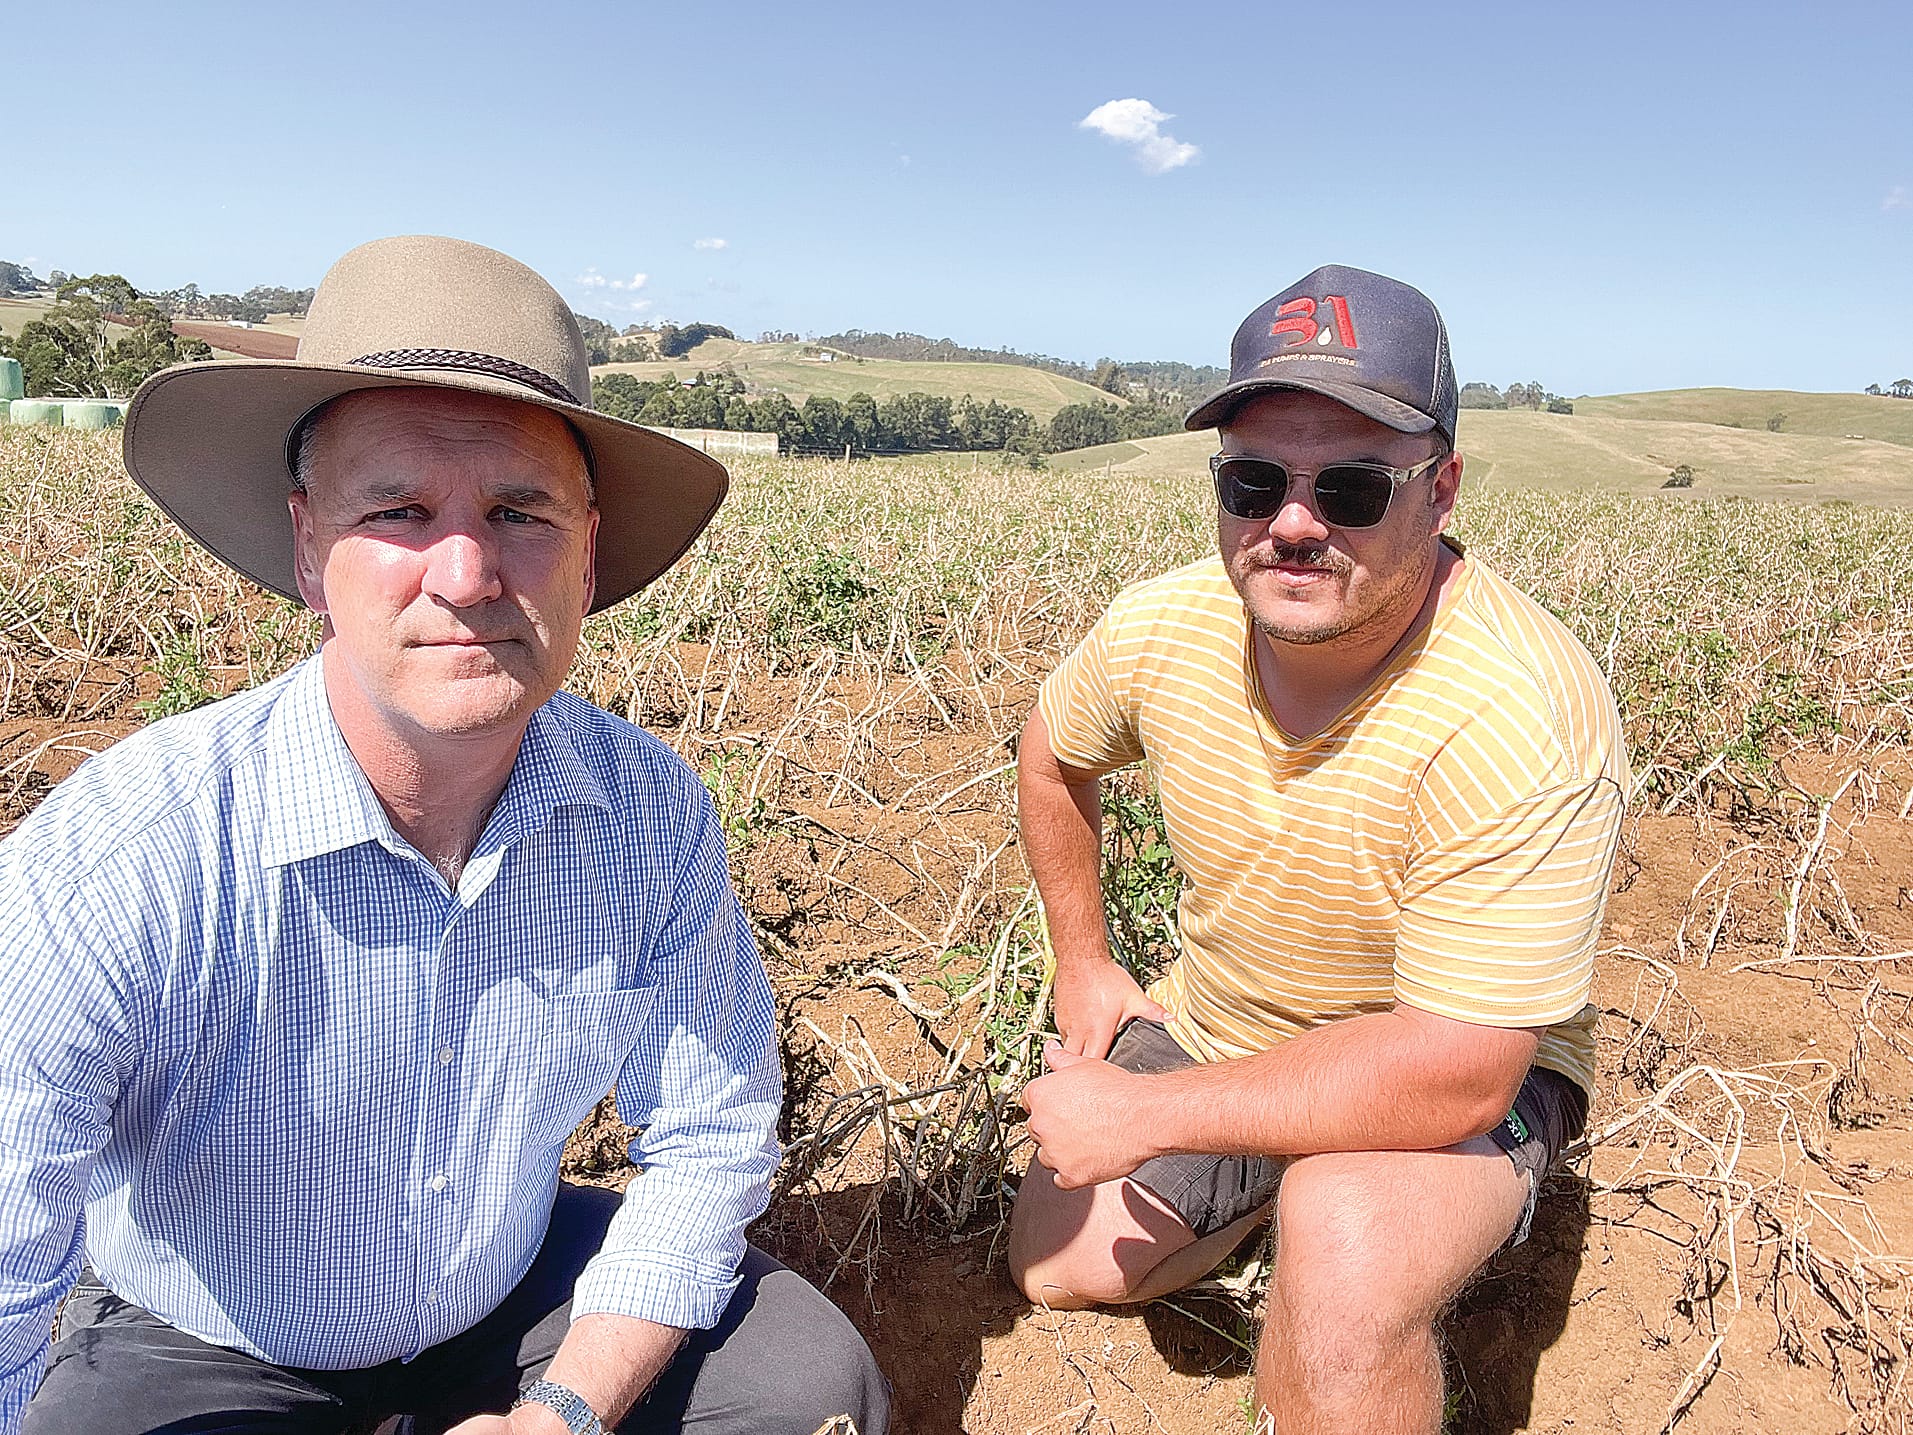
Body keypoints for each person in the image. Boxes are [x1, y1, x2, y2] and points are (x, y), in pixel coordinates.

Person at [0, 235, 888, 1435]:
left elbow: (707, 1136)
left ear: (587, 557)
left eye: (520, 511)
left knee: (806, 1391)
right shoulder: (129, 852)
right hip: (206, 1337)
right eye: (399, 510)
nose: (466, 572)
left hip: (509, 1298)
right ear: (309, 546)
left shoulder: (648, 813)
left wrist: (563, 1411)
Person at [1009, 265, 1627, 1433]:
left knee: (1342, 1242)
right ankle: (1274, 1178)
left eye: (1349, 487)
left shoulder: (1518, 712)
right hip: (1226, 1024)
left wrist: (1148, 1116)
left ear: (1439, 489)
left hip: (1449, 1066)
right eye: (1253, 481)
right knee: (1058, 1266)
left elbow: (1456, 1065)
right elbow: (1050, 755)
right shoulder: (1161, 623)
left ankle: (1363, 1223)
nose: (1292, 524)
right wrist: (1084, 962)